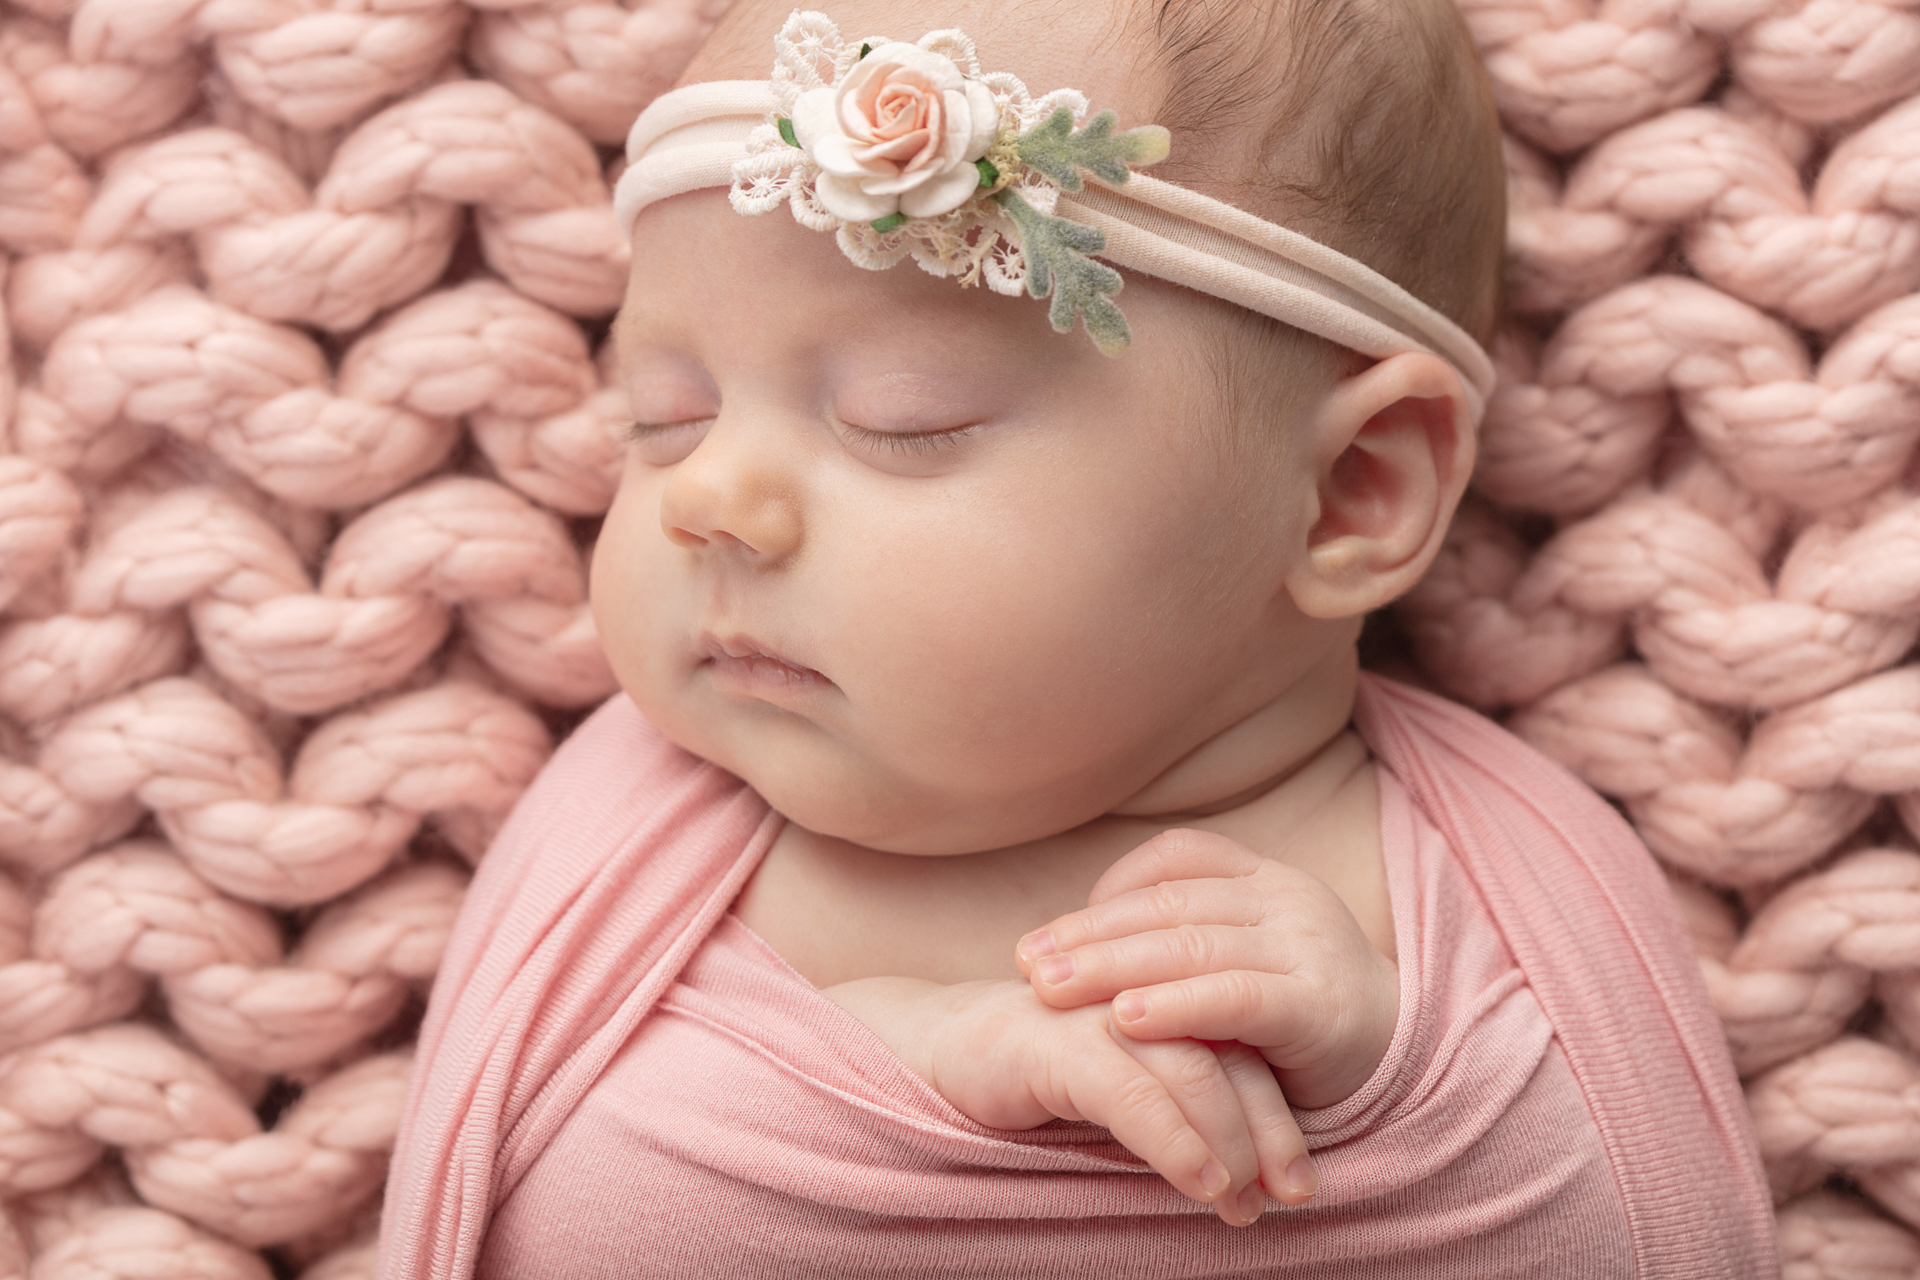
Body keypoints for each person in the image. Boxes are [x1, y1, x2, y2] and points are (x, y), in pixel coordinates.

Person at [378, 1, 1778, 1275]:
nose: (711, 499)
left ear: (1355, 490)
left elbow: (1648, 1227)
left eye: (902, 417)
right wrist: (924, 1049)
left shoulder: (1506, 899)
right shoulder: (627, 841)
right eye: (664, 417)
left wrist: (1382, 1089)